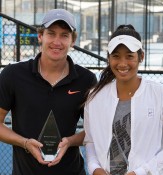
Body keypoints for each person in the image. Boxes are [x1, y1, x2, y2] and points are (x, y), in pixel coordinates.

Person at [0, 9, 97, 175]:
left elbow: (96, 130)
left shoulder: (86, 80)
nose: (57, 41)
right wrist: (24, 142)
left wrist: (70, 141)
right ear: (40, 36)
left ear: (72, 41)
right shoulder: (13, 75)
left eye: (64, 35)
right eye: (51, 34)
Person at [83, 24, 163, 175]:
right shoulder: (95, 97)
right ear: (109, 58)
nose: (122, 63)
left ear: (141, 57)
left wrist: (141, 172)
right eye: (116, 56)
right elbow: (90, 140)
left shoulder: (161, 94)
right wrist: (95, 168)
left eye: (129, 56)